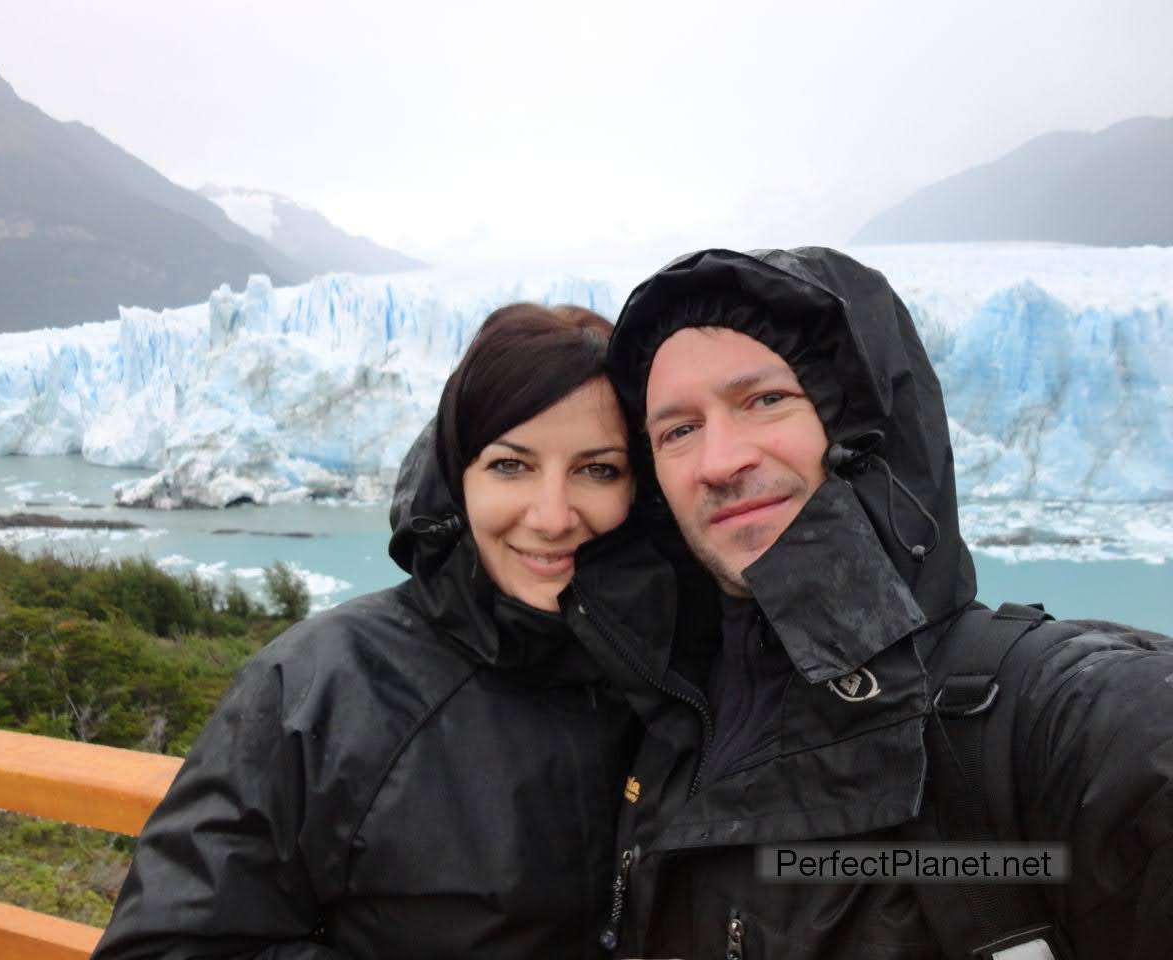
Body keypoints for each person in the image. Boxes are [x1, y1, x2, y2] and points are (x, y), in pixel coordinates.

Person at [586, 247, 1173, 959]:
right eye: (678, 430)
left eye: (766, 399)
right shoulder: (662, 726)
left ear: (868, 427)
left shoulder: (1051, 725)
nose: (719, 461)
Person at [91, 302, 688, 960]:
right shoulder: (324, 688)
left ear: (642, 487)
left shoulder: (691, 678)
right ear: (457, 476)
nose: (551, 516)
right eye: (510, 465)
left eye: (597, 469)